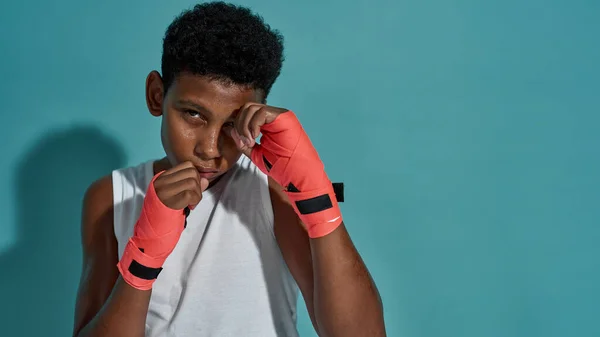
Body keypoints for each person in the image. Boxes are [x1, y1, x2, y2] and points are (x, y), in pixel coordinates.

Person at [72, 2, 386, 336]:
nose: (209, 149)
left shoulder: (274, 190)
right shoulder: (112, 197)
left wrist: (318, 199)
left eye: (231, 125)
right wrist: (142, 261)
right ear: (156, 95)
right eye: (193, 114)